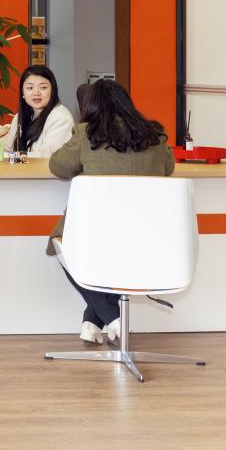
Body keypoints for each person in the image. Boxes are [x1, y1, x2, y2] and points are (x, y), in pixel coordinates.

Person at [47, 79, 175, 344]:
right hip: (146, 233)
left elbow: (58, 167)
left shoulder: (85, 133)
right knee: (118, 256)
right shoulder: (154, 135)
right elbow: (168, 168)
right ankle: (92, 323)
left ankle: (114, 318)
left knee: (62, 247)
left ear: (91, 106)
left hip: (96, 232)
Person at [0, 65, 75, 157]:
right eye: (30, 88)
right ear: (23, 92)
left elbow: (49, 155)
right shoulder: (20, 116)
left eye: (43, 87)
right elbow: (7, 148)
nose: (36, 93)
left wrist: (12, 156)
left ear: (52, 90)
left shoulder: (61, 118)